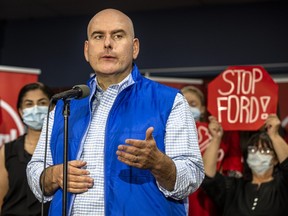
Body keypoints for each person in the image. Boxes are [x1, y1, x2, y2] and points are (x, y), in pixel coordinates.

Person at [26, 8, 204, 216]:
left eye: (118, 36)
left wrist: (160, 164)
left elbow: (193, 174)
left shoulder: (169, 101)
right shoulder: (65, 106)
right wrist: (54, 175)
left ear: (135, 47)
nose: (107, 43)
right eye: (98, 36)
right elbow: (35, 169)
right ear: (86, 50)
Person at [201, 114, 288, 216]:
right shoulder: (233, 189)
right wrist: (216, 138)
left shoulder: (283, 188)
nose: (258, 154)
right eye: (253, 149)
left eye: (265, 150)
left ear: (275, 159)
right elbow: (207, 176)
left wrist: (274, 135)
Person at [181, 85, 243, 216]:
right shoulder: (165, 133)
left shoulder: (218, 134)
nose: (187, 107)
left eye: (192, 104)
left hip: (206, 202)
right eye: (182, 103)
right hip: (177, 200)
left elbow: (228, 173)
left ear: (202, 109)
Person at [0, 82, 53, 215]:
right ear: (20, 111)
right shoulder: (7, 151)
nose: (36, 108)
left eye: (42, 103)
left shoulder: (63, 148)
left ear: (52, 107)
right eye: (29, 104)